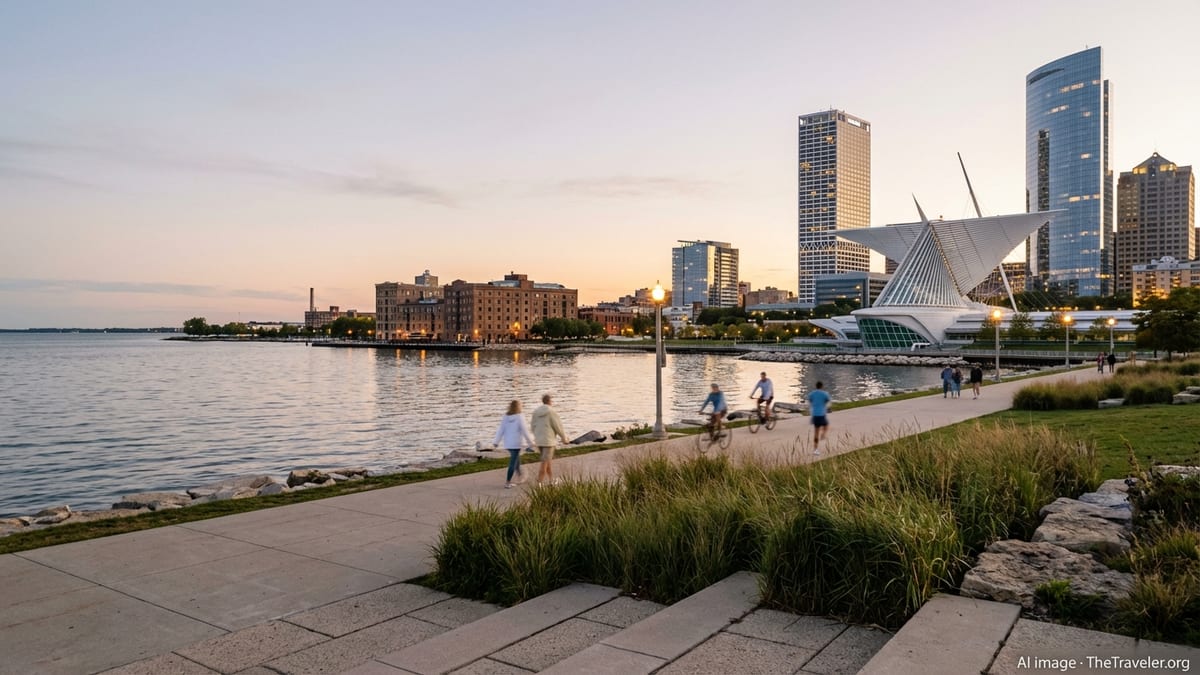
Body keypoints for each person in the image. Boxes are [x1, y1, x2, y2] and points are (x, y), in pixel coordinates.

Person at [493, 400, 534, 488]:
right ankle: (507, 482)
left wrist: (496, 442)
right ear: (518, 407)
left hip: (508, 443)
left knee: (516, 459)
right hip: (516, 443)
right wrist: (530, 442)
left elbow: (501, 430)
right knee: (513, 462)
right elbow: (525, 430)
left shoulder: (506, 417)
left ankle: (519, 476)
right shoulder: (520, 417)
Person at [531, 393, 569, 486]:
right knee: (544, 463)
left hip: (539, 441)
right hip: (548, 441)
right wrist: (564, 438)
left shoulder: (536, 412)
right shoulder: (551, 412)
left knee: (547, 461)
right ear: (550, 401)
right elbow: (558, 426)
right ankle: (539, 485)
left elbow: (532, 426)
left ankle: (551, 480)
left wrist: (536, 436)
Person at [807, 381, 831, 455]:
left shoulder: (812, 393)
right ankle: (823, 434)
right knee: (826, 426)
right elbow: (828, 401)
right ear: (822, 386)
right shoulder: (824, 394)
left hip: (815, 414)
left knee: (816, 432)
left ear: (816, 386)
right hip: (822, 414)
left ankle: (815, 449)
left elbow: (810, 400)